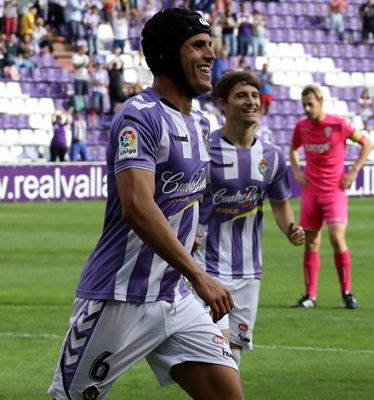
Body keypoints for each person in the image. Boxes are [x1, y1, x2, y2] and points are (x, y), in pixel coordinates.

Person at [48, 9, 243, 400]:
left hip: (175, 297)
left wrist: (193, 242)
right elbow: (137, 206)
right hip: (120, 297)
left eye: (210, 45)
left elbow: (184, 201)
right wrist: (199, 275)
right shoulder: (138, 117)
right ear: (170, 54)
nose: (210, 54)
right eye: (198, 46)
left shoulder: (201, 123)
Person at [194, 71, 304, 367]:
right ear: (223, 105)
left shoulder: (273, 155)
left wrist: (290, 229)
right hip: (206, 265)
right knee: (215, 348)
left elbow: (280, 205)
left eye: (255, 96)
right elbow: (182, 198)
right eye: (241, 96)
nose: (251, 101)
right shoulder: (203, 149)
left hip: (249, 271)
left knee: (234, 351)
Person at [290, 85, 373, 309]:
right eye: (304, 105)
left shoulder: (339, 125)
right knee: (311, 241)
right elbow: (293, 149)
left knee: (336, 237)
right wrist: (297, 171)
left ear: (321, 102)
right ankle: (310, 296)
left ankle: (346, 292)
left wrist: (353, 170)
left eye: (311, 104)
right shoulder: (302, 127)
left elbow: (366, 144)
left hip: (334, 190)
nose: (307, 108)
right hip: (311, 191)